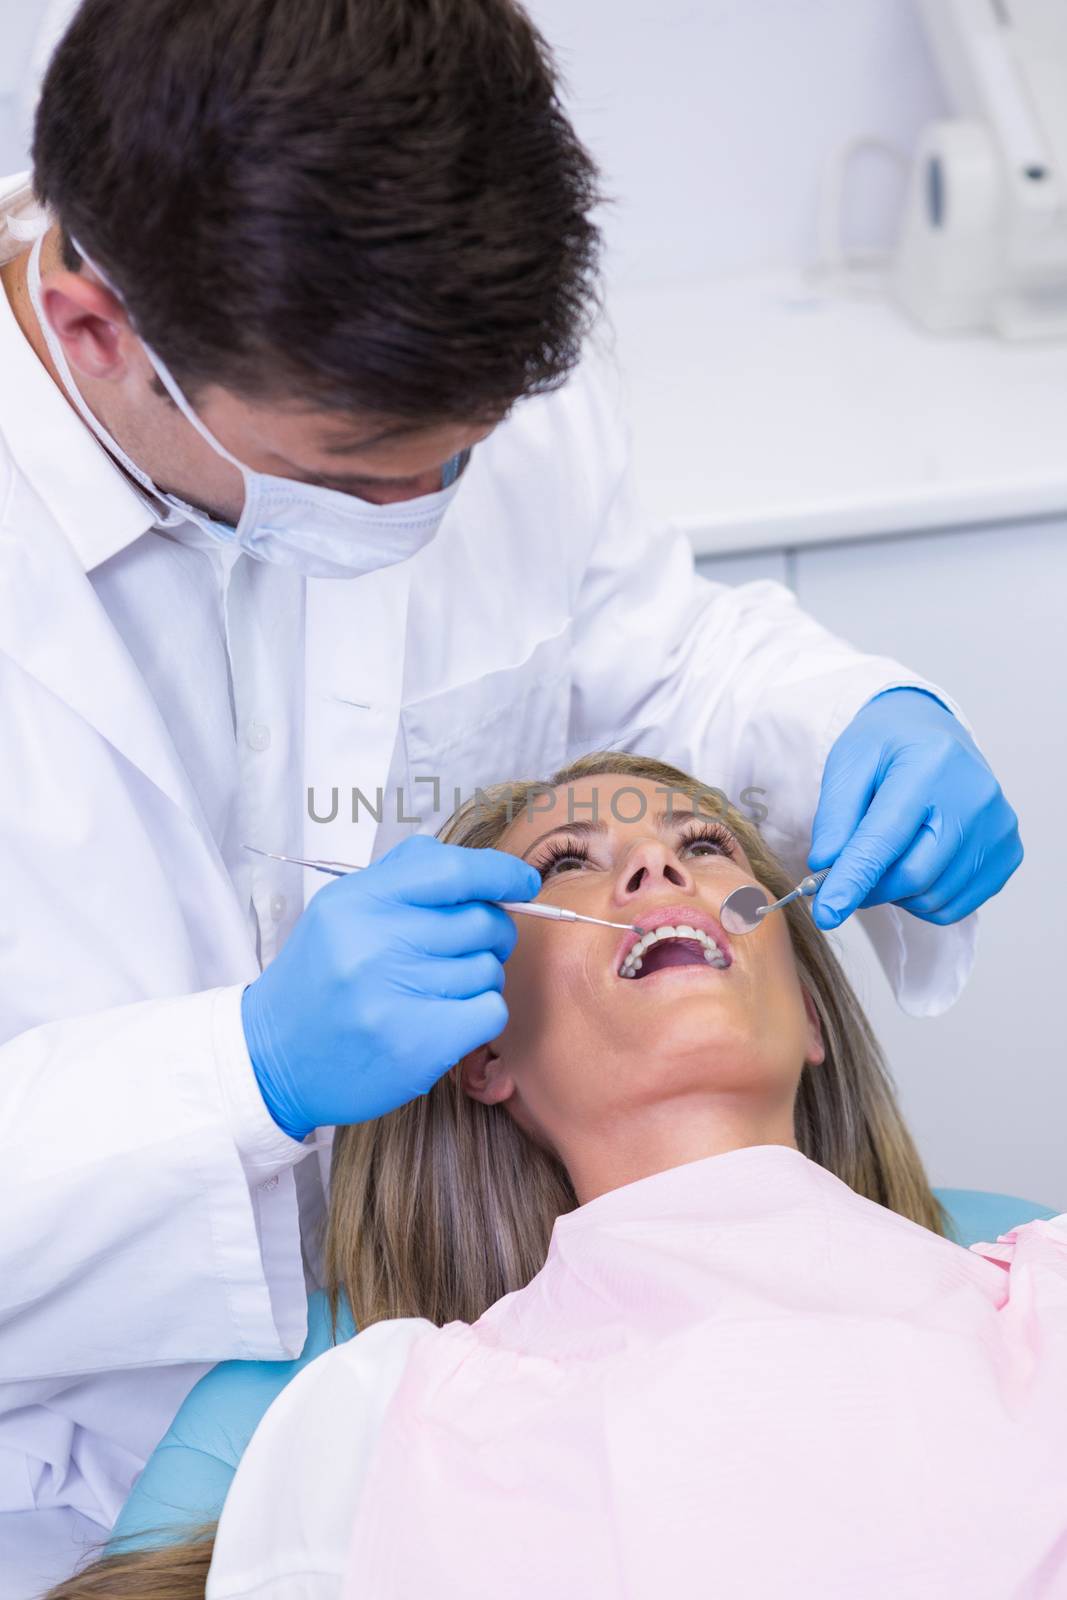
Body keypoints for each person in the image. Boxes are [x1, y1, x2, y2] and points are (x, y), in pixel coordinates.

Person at [0, 0, 1022, 1588]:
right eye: (357, 473)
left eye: (462, 458)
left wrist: (844, 719)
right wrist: (242, 1072)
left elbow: (652, 656)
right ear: (92, 329)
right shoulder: (396, 1445)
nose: (421, 516)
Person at [39, 753, 1059, 1599]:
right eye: (567, 863)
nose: (657, 865)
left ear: (809, 1017)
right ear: (484, 1054)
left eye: (705, 845)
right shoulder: (384, 1433)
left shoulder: (1042, 1292)